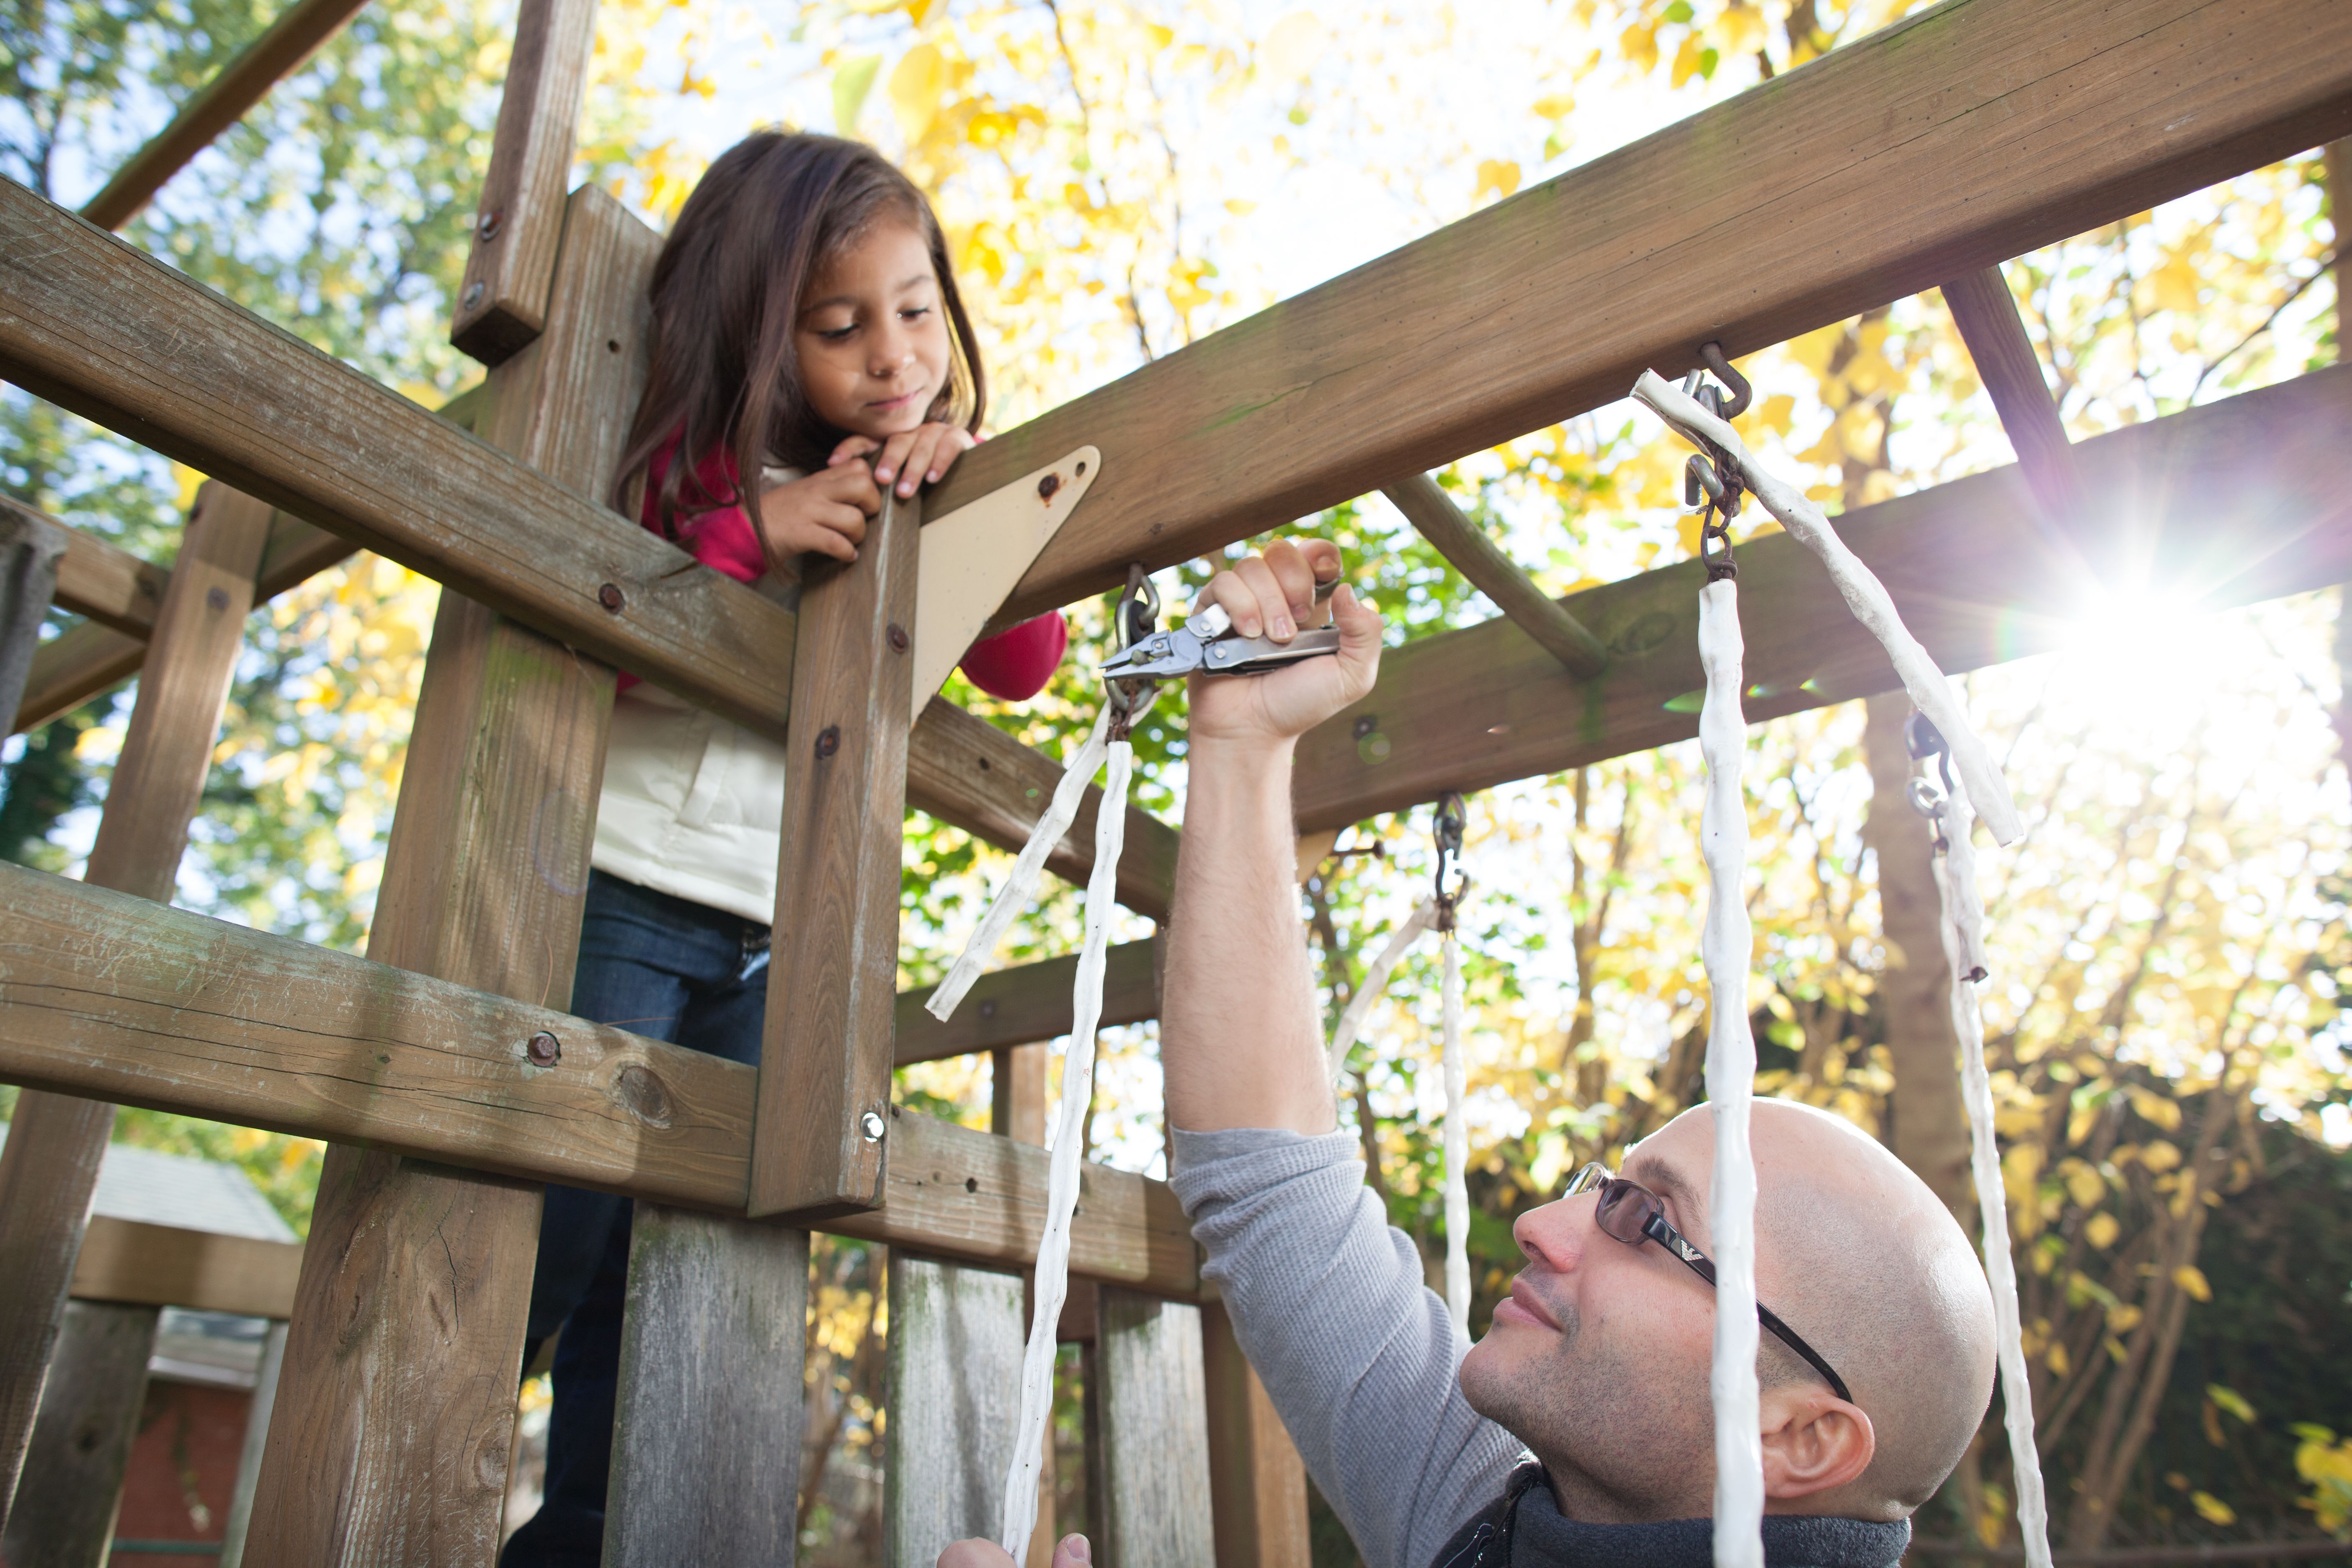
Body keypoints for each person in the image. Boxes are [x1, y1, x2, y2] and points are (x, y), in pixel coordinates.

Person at [942, 537, 1998, 1568]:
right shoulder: (1484, 1517)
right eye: (1604, 1190)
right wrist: (1242, 746)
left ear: (1797, 1438)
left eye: (1651, 1226)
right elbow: (1271, 1188)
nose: (1544, 1225)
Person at [501, 130, 1068, 1567]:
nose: (893, 354)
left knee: (682, 1263)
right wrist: (752, 529)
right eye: (841, 325)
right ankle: (431, 1434)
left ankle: (578, 1540)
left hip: (784, 934)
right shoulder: (698, 463)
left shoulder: (911, 474)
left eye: (917, 308)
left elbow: (1019, 663)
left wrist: (965, 495)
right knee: (551, 1223)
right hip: (629, 893)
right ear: (764, 329)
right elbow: (612, 630)